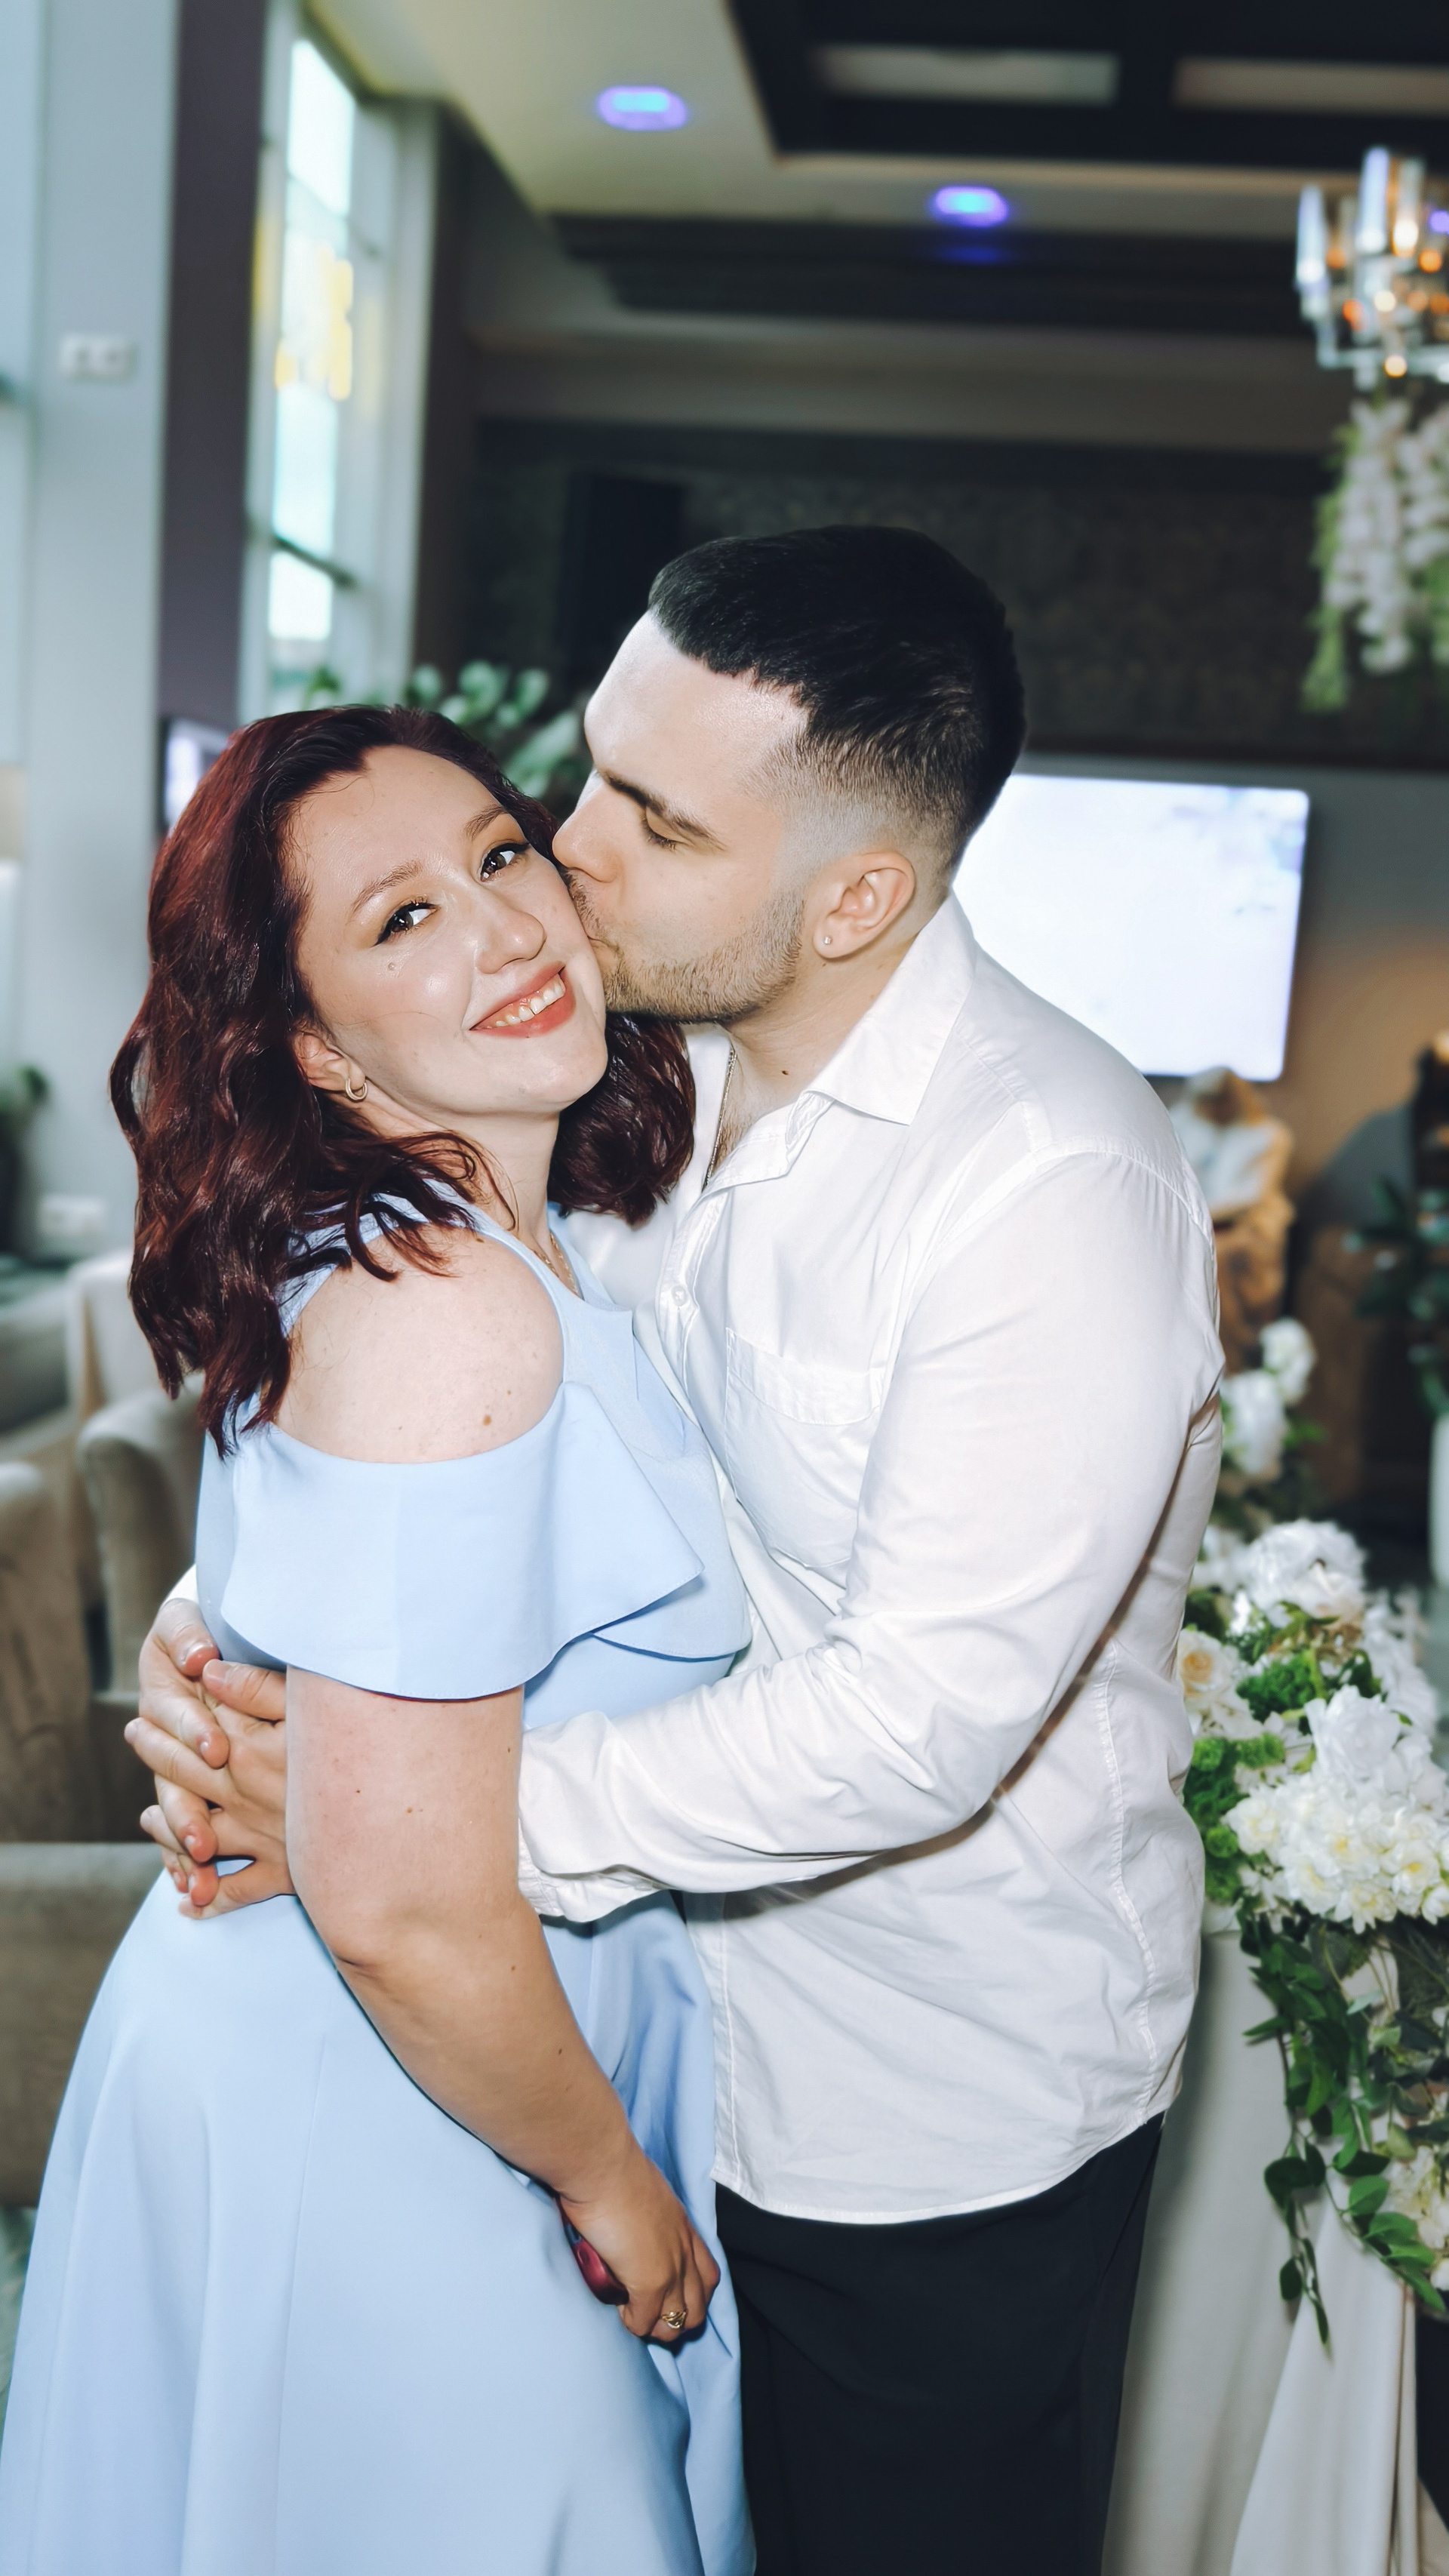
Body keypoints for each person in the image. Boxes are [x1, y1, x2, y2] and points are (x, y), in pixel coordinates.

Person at [134, 526, 1223, 2576]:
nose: (567, 854)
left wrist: (415, 1823)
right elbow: (467, 1431)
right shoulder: (615, 1073)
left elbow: (917, 1722)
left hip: (921, 2102)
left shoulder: (1051, 1183)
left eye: (652, 818)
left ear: (857, 897)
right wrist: (229, 1654)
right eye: (587, 772)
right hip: (614, 2036)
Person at [0, 708, 755, 2576]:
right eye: (402, 919)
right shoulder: (445, 1300)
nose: (505, 928)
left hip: (423, 2056)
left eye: (500, 856)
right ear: (317, 1045)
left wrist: (200, 1641)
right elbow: (401, 1905)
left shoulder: (486, 1245)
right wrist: (605, 2178)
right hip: (392, 2100)